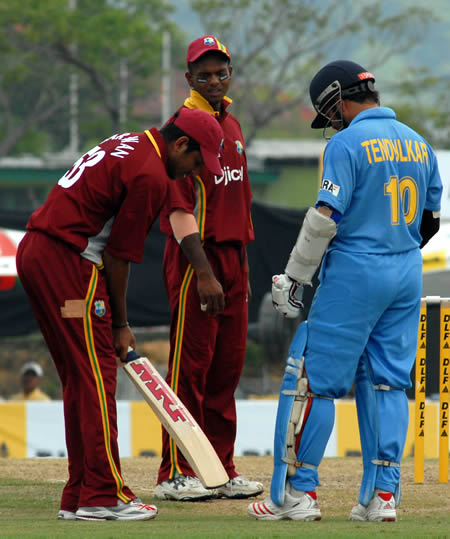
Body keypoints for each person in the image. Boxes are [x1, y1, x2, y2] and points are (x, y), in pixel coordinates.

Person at [248, 60, 442, 522]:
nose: (329, 122)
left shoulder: (346, 143)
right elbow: (430, 220)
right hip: (406, 269)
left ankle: (299, 495)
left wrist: (294, 278)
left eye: (328, 111)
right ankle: (382, 499)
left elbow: (324, 218)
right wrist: (396, 250)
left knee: (316, 381)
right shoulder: (420, 143)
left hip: (356, 271)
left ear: (338, 98)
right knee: (389, 382)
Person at [16, 107, 225, 521]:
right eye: (196, 162)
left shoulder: (130, 142)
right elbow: (118, 256)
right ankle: (102, 494)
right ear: (180, 144)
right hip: (69, 262)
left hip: (39, 252)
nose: (193, 173)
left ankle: (79, 494)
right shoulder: (150, 175)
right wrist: (121, 324)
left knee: (80, 376)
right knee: (96, 377)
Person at [155, 35, 263, 502]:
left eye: (221, 72)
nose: (214, 81)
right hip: (198, 260)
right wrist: (202, 272)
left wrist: (240, 268)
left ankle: (220, 469)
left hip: (233, 260)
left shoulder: (233, 126)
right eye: (204, 74)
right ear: (189, 78)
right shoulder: (183, 127)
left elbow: (238, 201)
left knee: (225, 373)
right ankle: (175, 472)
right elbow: (180, 211)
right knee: (189, 370)